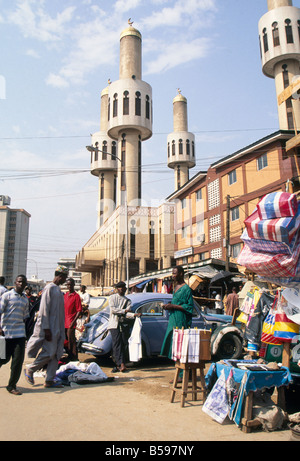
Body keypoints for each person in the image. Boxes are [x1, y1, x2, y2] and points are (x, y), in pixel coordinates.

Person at [24, 265, 68, 388]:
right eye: (65, 277)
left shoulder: (58, 290)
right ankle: (31, 369)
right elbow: (43, 310)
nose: (65, 280)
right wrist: (46, 328)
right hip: (50, 328)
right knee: (49, 352)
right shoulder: (49, 288)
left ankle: (49, 380)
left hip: (58, 327)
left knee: (56, 354)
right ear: (60, 276)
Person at [160, 266, 194, 381]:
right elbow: (177, 302)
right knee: (175, 347)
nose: (173, 275)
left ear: (181, 274)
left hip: (182, 320)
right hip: (173, 319)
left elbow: (189, 307)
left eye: (175, 273)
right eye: (172, 273)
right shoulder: (176, 287)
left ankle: (183, 375)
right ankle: (180, 372)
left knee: (182, 347)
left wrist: (173, 306)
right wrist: (169, 305)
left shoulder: (186, 289)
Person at [0, 275, 29, 395]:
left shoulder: (25, 299)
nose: (21, 284)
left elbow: (25, 317)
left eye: (23, 282)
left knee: (17, 361)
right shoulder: (7, 296)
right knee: (3, 359)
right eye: (19, 282)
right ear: (15, 282)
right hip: (7, 334)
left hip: (20, 335)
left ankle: (11, 386)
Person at [107, 281, 140, 373]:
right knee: (116, 344)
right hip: (114, 324)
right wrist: (124, 311)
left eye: (124, 288)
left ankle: (121, 363)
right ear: (117, 289)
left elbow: (128, 313)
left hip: (123, 325)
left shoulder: (127, 300)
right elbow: (113, 310)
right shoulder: (112, 298)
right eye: (120, 288)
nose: (122, 289)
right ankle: (120, 364)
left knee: (123, 344)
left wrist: (134, 315)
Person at [64, 277, 82, 361]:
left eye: (70, 284)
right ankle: (68, 356)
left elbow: (79, 310)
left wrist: (73, 322)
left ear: (74, 285)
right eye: (67, 284)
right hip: (64, 322)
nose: (69, 286)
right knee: (65, 340)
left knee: (71, 340)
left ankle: (74, 357)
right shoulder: (65, 295)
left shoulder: (76, 296)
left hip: (71, 321)